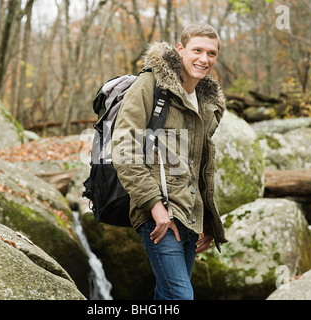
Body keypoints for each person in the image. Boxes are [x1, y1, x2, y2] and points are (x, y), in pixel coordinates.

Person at [111, 22, 228, 300]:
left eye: (211, 53)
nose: (204, 59)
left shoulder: (206, 101)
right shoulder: (151, 85)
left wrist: (208, 221)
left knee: (168, 296)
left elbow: (200, 168)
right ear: (181, 49)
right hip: (158, 216)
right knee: (180, 297)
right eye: (197, 50)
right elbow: (123, 148)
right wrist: (155, 206)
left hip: (189, 217)